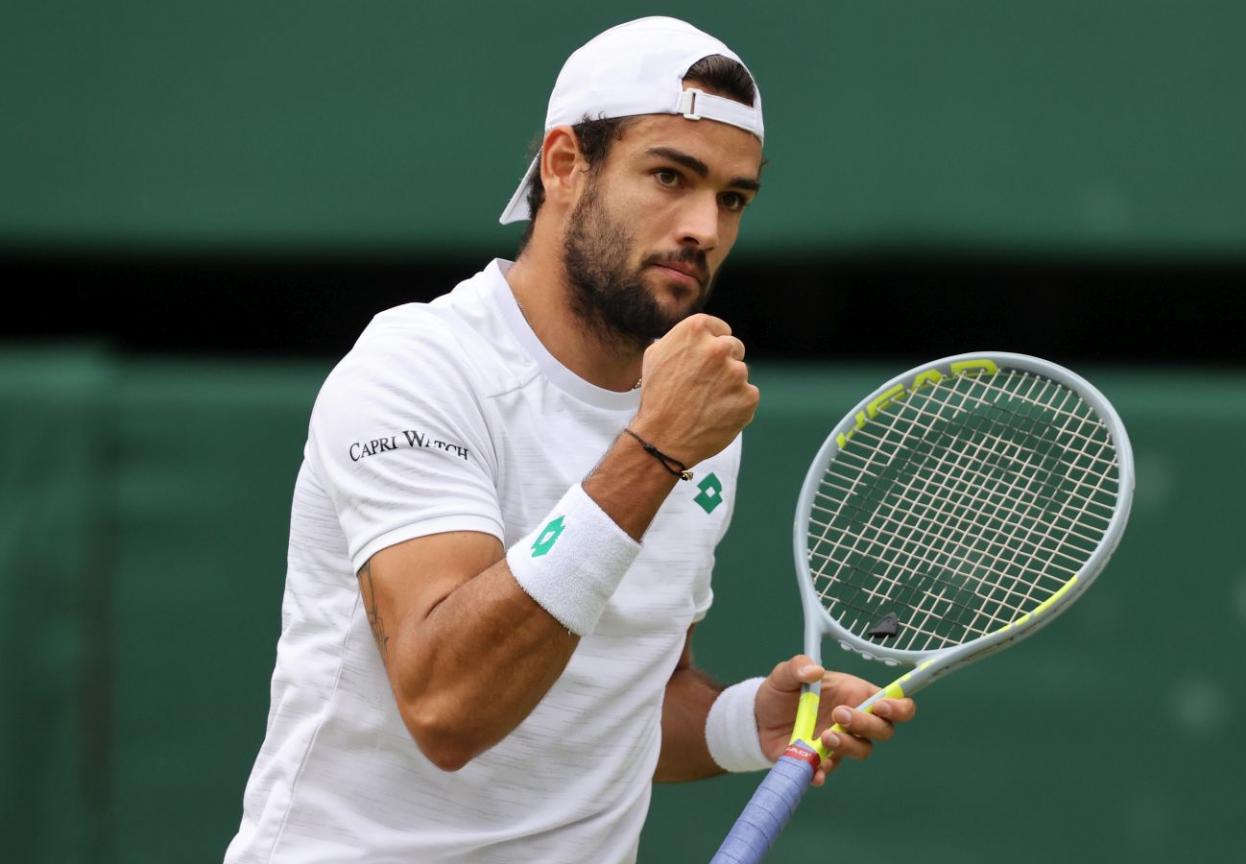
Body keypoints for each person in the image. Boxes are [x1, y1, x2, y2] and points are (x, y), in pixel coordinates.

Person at [225, 16, 914, 863]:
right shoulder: (416, 367)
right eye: (670, 175)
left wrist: (741, 722)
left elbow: (614, 700)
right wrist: (653, 451)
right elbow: (450, 707)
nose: (704, 226)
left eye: (733, 198)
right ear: (563, 166)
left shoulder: (691, 417)